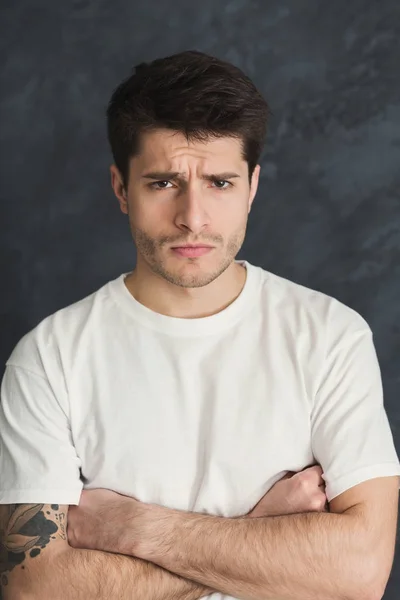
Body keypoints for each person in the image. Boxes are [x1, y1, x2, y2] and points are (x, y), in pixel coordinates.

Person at [0, 49, 399, 600]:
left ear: (253, 185)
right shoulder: (49, 358)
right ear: (121, 188)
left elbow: (359, 573)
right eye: (163, 183)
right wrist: (259, 531)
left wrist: (133, 529)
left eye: (220, 182)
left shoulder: (330, 336)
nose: (193, 215)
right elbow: (33, 588)